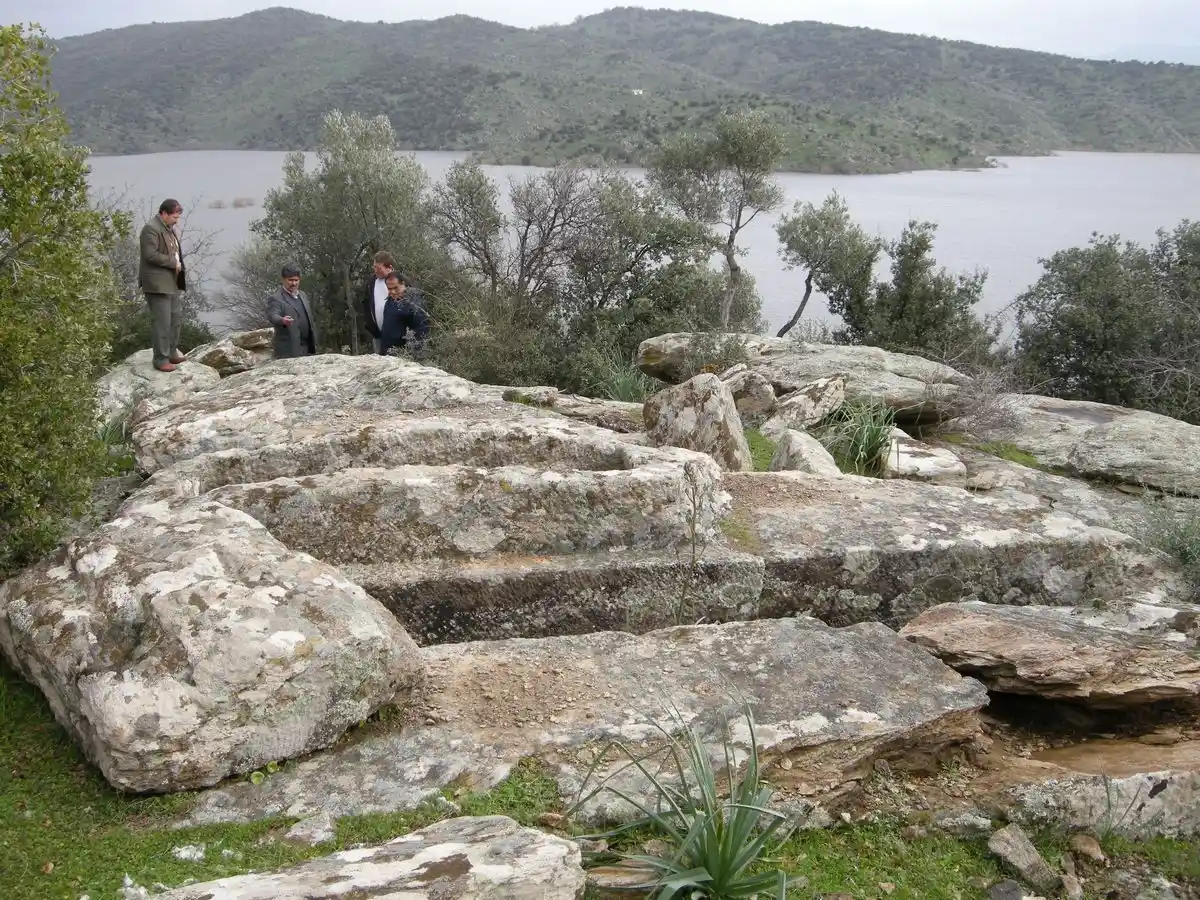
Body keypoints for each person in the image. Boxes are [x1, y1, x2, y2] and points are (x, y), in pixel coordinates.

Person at [138, 198, 187, 372]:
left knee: (176, 318)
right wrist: (173, 263)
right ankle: (160, 359)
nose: (177, 220)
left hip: (170, 282)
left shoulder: (167, 228)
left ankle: (172, 352)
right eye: (174, 216)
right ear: (164, 213)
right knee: (162, 323)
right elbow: (150, 255)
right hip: (157, 285)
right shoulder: (151, 229)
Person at [266, 264, 318, 359]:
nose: (293, 283)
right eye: (290, 280)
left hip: (307, 349)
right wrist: (282, 320)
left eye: (296, 280)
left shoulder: (303, 295)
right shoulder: (276, 298)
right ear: (283, 280)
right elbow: (273, 315)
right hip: (289, 352)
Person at [378, 271, 430, 357]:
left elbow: (422, 330)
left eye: (396, 288)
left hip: (403, 355)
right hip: (387, 354)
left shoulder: (415, 303)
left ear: (403, 284)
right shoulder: (390, 300)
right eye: (389, 289)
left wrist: (414, 354)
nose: (393, 292)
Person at [362, 250, 395, 353]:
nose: (375, 270)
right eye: (374, 267)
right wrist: (369, 325)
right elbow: (366, 304)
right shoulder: (371, 283)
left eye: (378, 268)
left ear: (389, 267)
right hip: (377, 334)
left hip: (396, 335)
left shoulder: (400, 281)